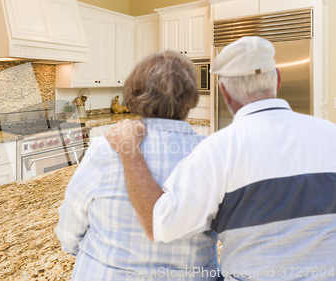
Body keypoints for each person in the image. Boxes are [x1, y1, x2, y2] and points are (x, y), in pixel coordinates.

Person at [105, 36, 336, 280]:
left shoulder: (217, 150)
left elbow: (160, 224)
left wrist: (130, 150)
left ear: (224, 93)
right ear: (277, 79)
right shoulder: (331, 134)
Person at [55, 51, 220, 280]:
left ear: (133, 94)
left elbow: (71, 225)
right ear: (191, 96)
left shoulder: (105, 150)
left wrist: (88, 256)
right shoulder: (213, 156)